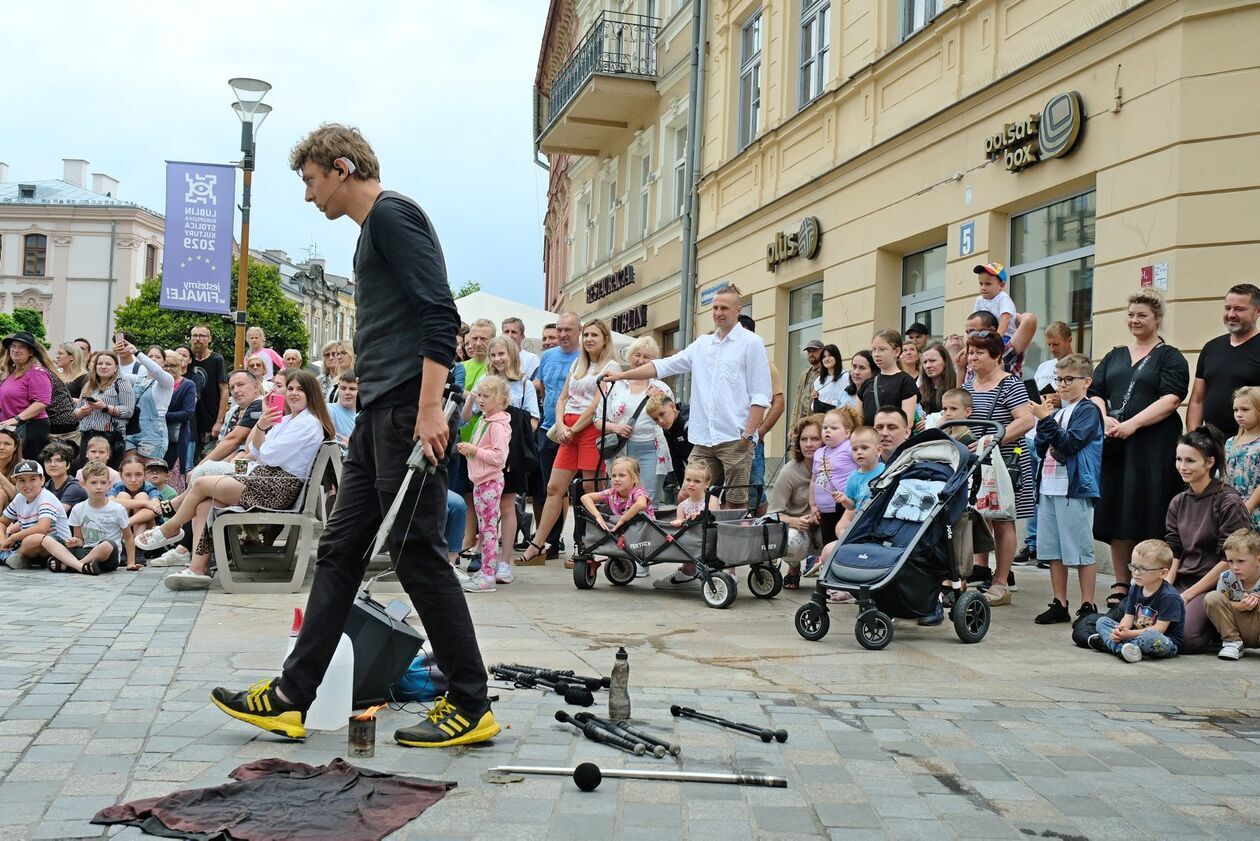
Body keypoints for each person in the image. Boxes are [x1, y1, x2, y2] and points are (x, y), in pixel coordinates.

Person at [208, 125, 494, 747]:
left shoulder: (392, 217)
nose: (309, 196)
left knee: (417, 555)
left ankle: (471, 703)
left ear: (341, 168)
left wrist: (428, 410)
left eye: (311, 181)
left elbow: (440, 314)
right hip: (376, 420)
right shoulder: (374, 232)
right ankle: (291, 697)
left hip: (403, 418)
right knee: (339, 551)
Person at [604, 285, 771, 517]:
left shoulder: (751, 343)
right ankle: (698, 544)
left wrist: (748, 435)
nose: (718, 313)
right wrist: (622, 375)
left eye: (724, 308)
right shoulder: (702, 344)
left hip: (735, 437)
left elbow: (761, 395)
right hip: (703, 438)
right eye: (715, 308)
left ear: (737, 310)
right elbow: (663, 366)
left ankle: (728, 549)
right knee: (687, 494)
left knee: (735, 500)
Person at [1088, 288, 1189, 609]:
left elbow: (1172, 398)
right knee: (1117, 513)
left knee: (1150, 511)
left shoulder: (1170, 356)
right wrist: (1103, 418)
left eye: (1142, 315)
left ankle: (1150, 585)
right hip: (1115, 448)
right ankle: (1121, 582)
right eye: (1131, 314)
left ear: (1157, 318)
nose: (1135, 320)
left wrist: (1132, 424)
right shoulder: (1115, 355)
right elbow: (1096, 391)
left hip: (1152, 449)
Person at [518, 318, 621, 565]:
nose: (589, 340)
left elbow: (597, 403)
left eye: (594, 335)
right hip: (567, 429)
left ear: (605, 338)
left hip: (590, 430)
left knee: (590, 490)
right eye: (586, 335)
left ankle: (590, 546)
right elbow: (563, 397)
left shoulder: (611, 365)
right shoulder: (578, 363)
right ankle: (538, 545)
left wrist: (573, 428)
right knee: (554, 488)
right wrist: (563, 425)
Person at [1029, 353, 1104, 624]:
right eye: (1059, 379)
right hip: (1049, 486)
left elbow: (1070, 444)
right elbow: (1040, 446)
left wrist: (1046, 421)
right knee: (1052, 550)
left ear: (1086, 382)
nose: (1062, 385)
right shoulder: (1057, 411)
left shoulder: (1088, 411)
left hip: (1074, 488)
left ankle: (1088, 604)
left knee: (1081, 548)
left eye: (1069, 379)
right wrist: (1045, 418)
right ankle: (1060, 603)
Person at [963, 330, 1035, 606]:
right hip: (978, 463)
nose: (972, 357)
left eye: (979, 352)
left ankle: (1002, 582)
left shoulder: (1010, 384)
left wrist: (992, 439)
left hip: (1006, 463)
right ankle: (981, 572)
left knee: (1003, 520)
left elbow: (1025, 420)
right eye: (970, 352)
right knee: (979, 518)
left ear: (995, 356)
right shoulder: (968, 385)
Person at [1164, 425, 1251, 654]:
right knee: (1139, 616)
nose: (1182, 467)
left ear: (1209, 462)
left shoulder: (1229, 501)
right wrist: (1165, 587)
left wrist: (1188, 596)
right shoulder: (1178, 501)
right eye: (1179, 459)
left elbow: (1230, 559)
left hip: (1215, 587)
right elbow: (1174, 548)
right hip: (1183, 580)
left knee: (1183, 639)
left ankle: (1222, 625)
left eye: (1190, 461)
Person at [473, 338, 538, 568]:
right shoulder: (484, 381)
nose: (497, 359)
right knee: (484, 505)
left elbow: (533, 421)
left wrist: (508, 428)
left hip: (511, 454)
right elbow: (470, 414)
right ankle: (482, 552)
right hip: (486, 453)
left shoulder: (524, 384)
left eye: (502, 354)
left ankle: (505, 560)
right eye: (493, 355)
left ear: (511, 354)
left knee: (507, 505)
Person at [1016, 321, 1076, 567]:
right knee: (1032, 491)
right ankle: (1032, 542)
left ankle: (1047, 545)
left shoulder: (1077, 365)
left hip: (1058, 432)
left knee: (1047, 492)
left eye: (1057, 344)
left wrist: (1058, 400)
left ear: (1068, 340)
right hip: (1034, 432)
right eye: (1049, 344)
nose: (1052, 349)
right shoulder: (1043, 366)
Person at [529, 312, 580, 558]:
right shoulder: (547, 356)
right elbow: (541, 387)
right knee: (550, 488)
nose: (562, 334)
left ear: (578, 331)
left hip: (577, 432)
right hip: (548, 430)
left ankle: (580, 543)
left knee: (577, 490)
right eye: (560, 329)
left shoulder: (585, 357)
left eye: (568, 329)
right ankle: (550, 542)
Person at [595, 336, 671, 502]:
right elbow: (597, 421)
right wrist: (616, 428)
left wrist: (657, 401)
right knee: (620, 499)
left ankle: (646, 528)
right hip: (620, 451)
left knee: (648, 502)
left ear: (654, 361)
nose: (641, 360)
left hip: (652, 449)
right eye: (637, 355)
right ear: (629, 356)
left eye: (647, 357)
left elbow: (668, 424)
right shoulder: (614, 386)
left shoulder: (662, 388)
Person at [457, 375, 511, 592]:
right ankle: (486, 570)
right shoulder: (486, 419)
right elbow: (465, 415)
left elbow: (499, 457)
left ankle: (488, 573)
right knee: (485, 528)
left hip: (489, 481)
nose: (481, 399)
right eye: (480, 395)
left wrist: (474, 451)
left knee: (488, 529)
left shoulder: (497, 426)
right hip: (481, 481)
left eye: (486, 396)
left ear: (501, 400)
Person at [1088, 539, 1183, 663]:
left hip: (1163, 641)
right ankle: (1123, 649)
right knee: (1102, 621)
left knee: (1150, 637)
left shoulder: (1169, 596)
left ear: (1163, 573)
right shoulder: (1135, 588)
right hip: (1134, 633)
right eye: (1133, 567)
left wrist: (1129, 635)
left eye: (1143, 569)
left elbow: (1159, 629)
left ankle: (1112, 645)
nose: (1136, 573)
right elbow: (1128, 617)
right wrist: (1120, 630)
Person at [1188, 283, 1260, 438]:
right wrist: (1193, 439)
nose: (1231, 314)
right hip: (1212, 442)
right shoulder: (1211, 347)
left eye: (1240, 309)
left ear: (1257, 311)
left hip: (1251, 447)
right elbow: (1197, 400)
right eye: (1228, 308)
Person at [42, 460, 136, 574]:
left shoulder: (118, 509)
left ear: (109, 484)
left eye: (103, 482)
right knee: (47, 539)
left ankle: (71, 565)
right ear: (83, 484)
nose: (99, 487)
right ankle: (82, 566)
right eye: (93, 482)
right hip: (86, 550)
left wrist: (131, 563)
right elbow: (80, 540)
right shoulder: (78, 508)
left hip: (108, 557)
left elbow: (129, 538)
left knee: (108, 544)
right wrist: (75, 541)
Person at [455, 318, 496, 561]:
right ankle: (469, 537)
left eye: (484, 339)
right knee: (467, 494)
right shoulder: (464, 366)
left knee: (486, 496)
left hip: (487, 442)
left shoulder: (493, 367)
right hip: (464, 439)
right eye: (474, 339)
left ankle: (482, 541)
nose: (478, 343)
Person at [767, 415, 823, 589]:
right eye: (804, 439)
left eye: (815, 439)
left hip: (825, 525)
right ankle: (793, 567)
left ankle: (833, 572)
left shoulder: (836, 466)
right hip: (799, 528)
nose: (808, 444)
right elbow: (772, 514)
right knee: (791, 541)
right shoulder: (789, 471)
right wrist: (795, 521)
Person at [738, 314, 784, 515]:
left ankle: (761, 536)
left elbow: (778, 403)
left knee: (755, 489)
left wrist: (761, 430)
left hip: (751, 440)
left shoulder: (765, 364)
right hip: (723, 439)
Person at [0, 460, 71, 569]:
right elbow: (2, 522)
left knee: (32, 539)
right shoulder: (19, 498)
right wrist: (3, 541)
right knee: (28, 541)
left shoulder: (46, 497)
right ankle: (9, 555)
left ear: (42, 480)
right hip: (32, 548)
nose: (27, 485)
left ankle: (11, 556)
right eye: (21, 480)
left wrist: (12, 537)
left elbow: (42, 528)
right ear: (16, 482)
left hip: (58, 544)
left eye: (32, 479)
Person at [1204, 528, 1260, 661]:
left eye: (1241, 561)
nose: (1234, 567)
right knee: (1212, 597)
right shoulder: (1226, 577)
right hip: (1237, 625)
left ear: (1258, 560)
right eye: (1230, 561)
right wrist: (1241, 606)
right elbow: (1221, 604)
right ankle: (1232, 643)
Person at [0, 330, 58, 459]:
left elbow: (42, 402)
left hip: (31, 427)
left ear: (30, 352)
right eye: (13, 346)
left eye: (21, 347)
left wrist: (17, 419)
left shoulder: (36, 372)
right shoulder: (11, 371)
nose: (16, 350)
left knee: (23, 466)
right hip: (11, 426)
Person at [74, 350, 134, 467]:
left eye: (108, 364)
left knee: (109, 474)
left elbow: (128, 411)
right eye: (100, 363)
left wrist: (105, 407)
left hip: (111, 437)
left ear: (116, 367)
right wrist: (83, 411)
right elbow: (76, 412)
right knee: (86, 472)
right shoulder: (89, 385)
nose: (103, 367)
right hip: (88, 436)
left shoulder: (121, 383)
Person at [811, 406, 861, 545]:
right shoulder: (819, 452)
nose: (827, 430)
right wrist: (813, 505)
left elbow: (863, 467)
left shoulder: (849, 447)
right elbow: (813, 480)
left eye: (833, 428)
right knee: (827, 543)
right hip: (824, 509)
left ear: (847, 433)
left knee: (841, 543)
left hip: (844, 506)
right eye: (825, 427)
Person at [122, 342, 174, 462]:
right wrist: (120, 354)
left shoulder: (166, 380)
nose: (153, 359)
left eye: (158, 357)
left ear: (164, 362)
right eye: (150, 356)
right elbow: (118, 375)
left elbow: (156, 371)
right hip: (132, 430)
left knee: (148, 472)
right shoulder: (138, 379)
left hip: (153, 434)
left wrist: (137, 353)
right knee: (130, 469)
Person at [580, 455, 654, 533]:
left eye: (622, 475)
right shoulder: (611, 493)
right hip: (626, 531)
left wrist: (623, 520)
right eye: (614, 476)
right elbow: (585, 497)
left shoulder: (637, 492)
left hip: (645, 530)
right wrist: (598, 516)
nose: (617, 479)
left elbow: (641, 504)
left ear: (634, 478)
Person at [860, 329, 918, 426]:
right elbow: (858, 419)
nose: (876, 354)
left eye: (882, 349)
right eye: (874, 349)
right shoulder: (868, 383)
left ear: (896, 351)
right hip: (869, 439)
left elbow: (908, 421)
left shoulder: (906, 381)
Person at [835, 426, 885, 535]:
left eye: (864, 448)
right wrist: (844, 499)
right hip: (860, 524)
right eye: (854, 449)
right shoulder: (853, 478)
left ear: (878, 450)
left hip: (880, 523)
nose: (859, 452)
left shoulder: (886, 471)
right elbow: (851, 506)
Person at [188, 325, 229, 459]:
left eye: (202, 336)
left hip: (210, 421)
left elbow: (224, 391)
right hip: (191, 420)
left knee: (206, 459)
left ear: (209, 339)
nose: (198, 339)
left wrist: (219, 421)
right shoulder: (187, 359)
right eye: (195, 335)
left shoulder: (217, 359)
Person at [1225, 386, 1260, 529]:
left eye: (1245, 410)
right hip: (1230, 512)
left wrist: (1249, 506)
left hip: (1253, 511)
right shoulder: (1230, 442)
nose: (1239, 414)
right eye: (1235, 410)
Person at [645, 394, 691, 488]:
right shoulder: (668, 427)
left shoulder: (688, 422)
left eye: (662, 414)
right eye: (656, 419)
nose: (661, 421)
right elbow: (676, 460)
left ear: (673, 406)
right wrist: (683, 488)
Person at [164, 351, 197, 481]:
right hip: (156, 436)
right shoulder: (155, 383)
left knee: (173, 473)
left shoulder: (188, 385)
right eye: (165, 365)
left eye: (172, 365)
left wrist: (162, 415)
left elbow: (188, 413)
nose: (168, 368)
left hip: (176, 436)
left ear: (180, 366)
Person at [111, 454, 158, 535]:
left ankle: (138, 542)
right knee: (123, 495)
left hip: (147, 531)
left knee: (142, 496)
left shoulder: (149, 488)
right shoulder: (118, 486)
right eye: (128, 475)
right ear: (121, 476)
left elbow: (157, 508)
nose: (133, 480)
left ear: (145, 475)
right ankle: (122, 542)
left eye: (138, 474)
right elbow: (110, 502)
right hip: (121, 531)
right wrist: (145, 503)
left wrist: (127, 523)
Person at [972, 263, 1019, 340]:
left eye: (988, 284)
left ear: (1001, 285)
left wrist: (997, 339)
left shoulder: (1002, 298)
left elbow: (1006, 318)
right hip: (984, 337)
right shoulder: (979, 300)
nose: (983, 287)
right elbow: (974, 320)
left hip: (1005, 336)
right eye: (981, 284)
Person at [41, 441, 86, 514]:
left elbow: (56, 514)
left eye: (59, 461)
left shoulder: (74, 487)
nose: (53, 464)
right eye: (48, 461)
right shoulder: (48, 485)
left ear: (68, 465)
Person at [792, 339, 824, 431]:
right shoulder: (804, 374)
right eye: (809, 351)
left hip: (816, 423)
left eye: (814, 351)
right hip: (801, 423)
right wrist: (792, 427)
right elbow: (797, 402)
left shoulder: (826, 373)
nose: (811, 354)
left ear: (822, 352)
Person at [919, 343, 957, 418]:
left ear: (945, 362)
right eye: (925, 362)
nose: (928, 366)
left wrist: (930, 421)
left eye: (932, 361)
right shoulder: (920, 390)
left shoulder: (956, 385)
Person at [328, 370, 359, 456]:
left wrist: (352, 443)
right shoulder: (329, 410)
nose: (347, 392)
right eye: (343, 388)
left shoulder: (365, 415)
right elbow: (329, 437)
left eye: (352, 389)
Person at [501, 317, 540, 381]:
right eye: (506, 331)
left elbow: (534, 385)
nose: (509, 335)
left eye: (513, 332)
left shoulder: (532, 359)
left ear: (522, 337)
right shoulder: (496, 357)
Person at [810, 344, 846, 413]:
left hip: (838, 418)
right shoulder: (818, 381)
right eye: (824, 357)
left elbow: (849, 401)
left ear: (836, 357)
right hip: (820, 419)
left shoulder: (846, 377)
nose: (826, 359)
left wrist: (833, 404)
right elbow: (813, 407)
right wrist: (815, 399)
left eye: (830, 355)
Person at [0, 428, 22, 512]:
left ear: (15, 447)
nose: (1, 447)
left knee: (1, 494)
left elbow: (20, 497)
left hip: (16, 513)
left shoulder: (23, 466)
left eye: (7, 444)